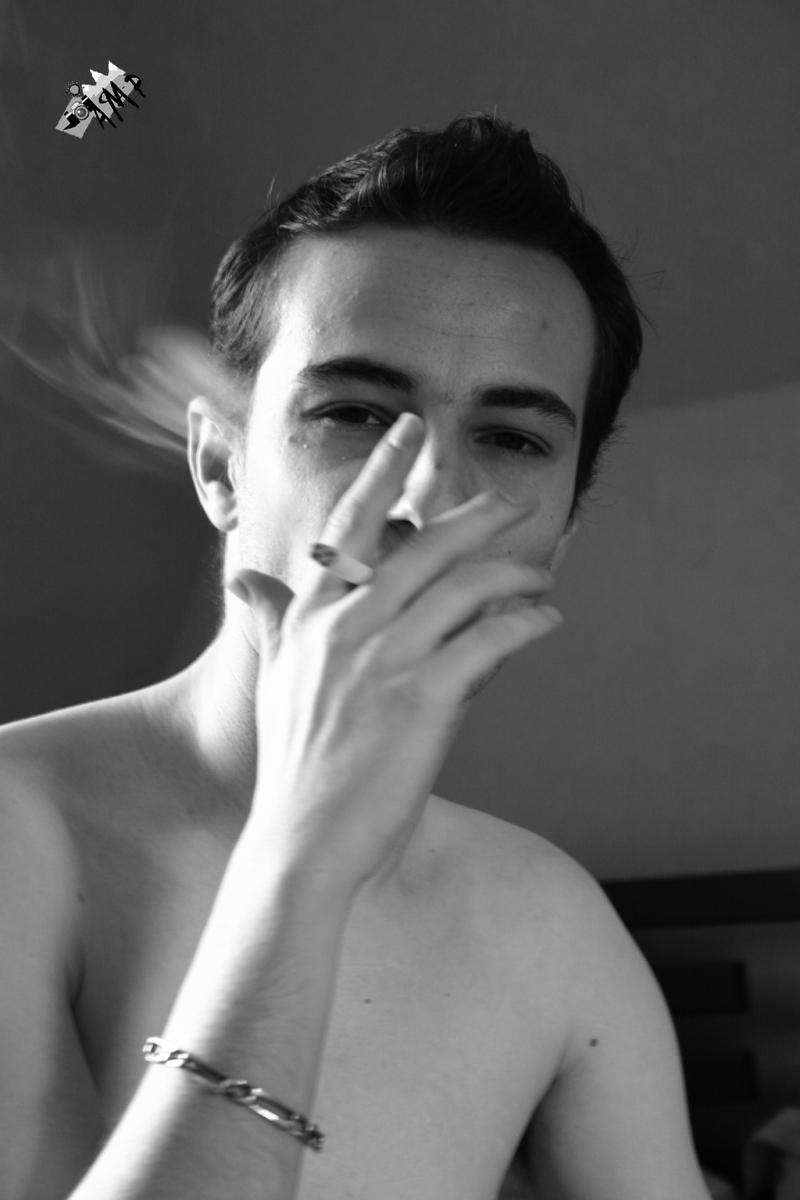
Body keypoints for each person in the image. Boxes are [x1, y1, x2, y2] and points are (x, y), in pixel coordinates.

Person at [0, 111, 712, 1199]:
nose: (425, 496)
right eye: (354, 412)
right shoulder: (20, 825)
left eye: (512, 439)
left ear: (561, 528)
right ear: (221, 468)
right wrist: (301, 863)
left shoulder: (550, 924)